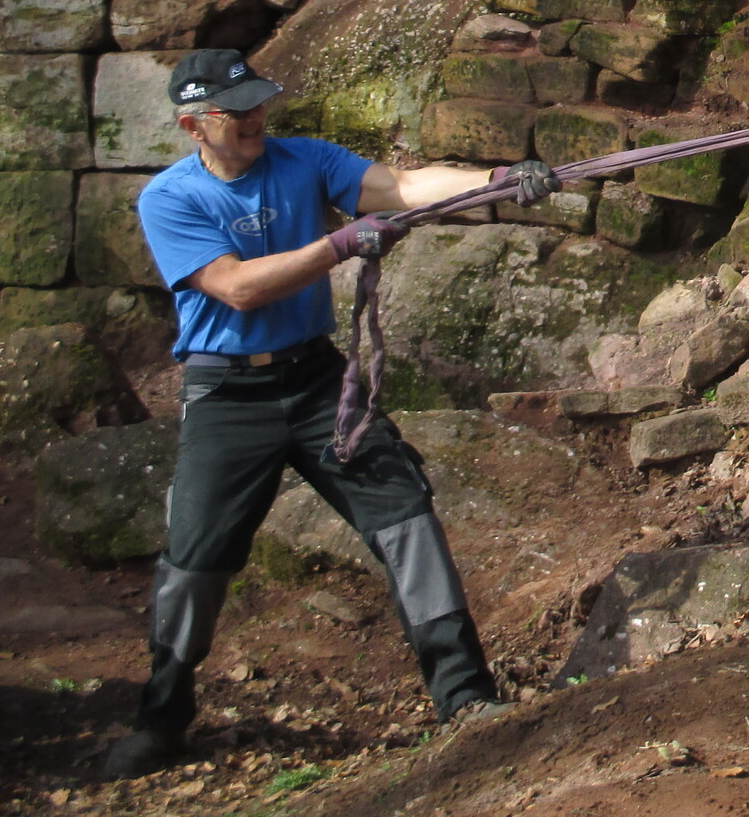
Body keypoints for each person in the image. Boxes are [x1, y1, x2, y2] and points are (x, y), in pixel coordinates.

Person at [104, 49, 560, 779]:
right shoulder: (170, 198)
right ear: (194, 125)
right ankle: (162, 719)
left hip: (316, 380)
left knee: (405, 514)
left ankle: (466, 696)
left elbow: (402, 186)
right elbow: (238, 288)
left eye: (259, 103)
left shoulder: (305, 159)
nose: (255, 118)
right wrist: (340, 244)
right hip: (227, 396)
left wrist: (497, 180)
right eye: (237, 110)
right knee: (195, 557)